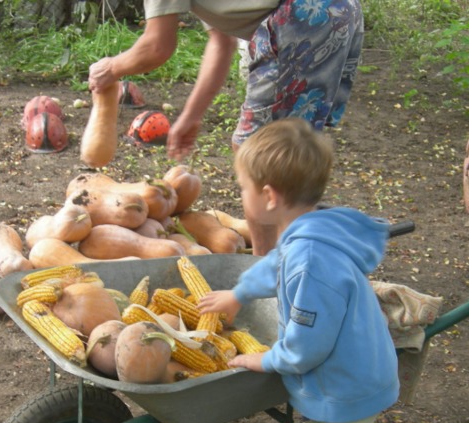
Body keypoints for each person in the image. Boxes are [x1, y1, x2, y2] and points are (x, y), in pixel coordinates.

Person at [198, 118, 399, 423]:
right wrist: (239, 293)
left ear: (269, 197)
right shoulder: (307, 232)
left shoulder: (313, 260)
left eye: (243, 188)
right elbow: (275, 268)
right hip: (342, 374)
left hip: (352, 382)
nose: (240, 197)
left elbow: (307, 347)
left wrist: (262, 359)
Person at [87, 0, 364, 256]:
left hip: (304, 17)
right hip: (339, 11)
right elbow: (222, 42)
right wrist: (192, 115)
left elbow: (157, 45)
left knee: (259, 157)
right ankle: (299, 264)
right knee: (291, 154)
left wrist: (110, 68)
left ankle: (270, 276)